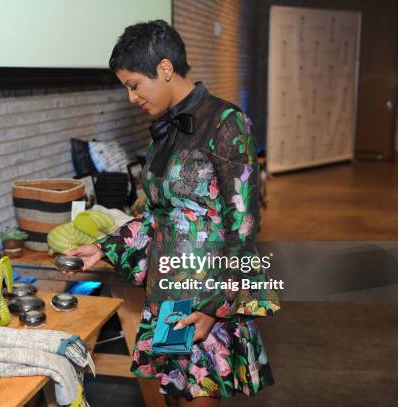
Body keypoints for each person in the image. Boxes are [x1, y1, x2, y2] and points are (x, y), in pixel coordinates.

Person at [66, 20, 280, 406]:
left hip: (209, 292)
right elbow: (161, 215)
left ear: (165, 69)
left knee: (199, 396)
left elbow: (243, 227)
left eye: (134, 85)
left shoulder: (227, 123)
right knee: (173, 397)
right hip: (168, 290)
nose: (131, 98)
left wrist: (214, 308)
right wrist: (105, 248)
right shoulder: (165, 130)